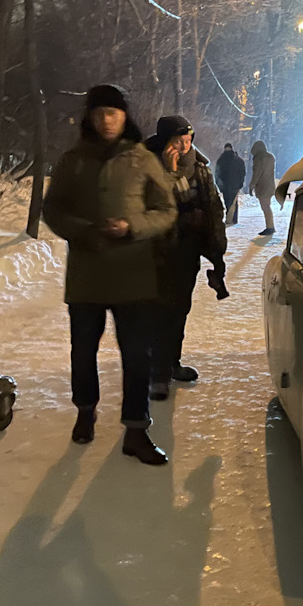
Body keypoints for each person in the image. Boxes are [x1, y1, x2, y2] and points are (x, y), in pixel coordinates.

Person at [43, 84, 176, 465]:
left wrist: (132, 226)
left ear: (124, 116)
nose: (106, 120)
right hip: (86, 276)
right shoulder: (73, 160)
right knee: (83, 352)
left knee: (137, 355)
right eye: (99, 113)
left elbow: (165, 210)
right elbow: (52, 209)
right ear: (89, 117)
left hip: (133, 277)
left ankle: (136, 430)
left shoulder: (141, 158)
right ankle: (85, 412)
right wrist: (82, 230)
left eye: (113, 113)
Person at [146, 114, 229, 400]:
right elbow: (155, 205)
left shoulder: (200, 168)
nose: (183, 146)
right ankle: (156, 373)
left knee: (180, 309)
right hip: (157, 252)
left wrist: (217, 249)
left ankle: (171, 363)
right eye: (177, 141)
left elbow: (213, 207)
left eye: (188, 140)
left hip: (187, 251)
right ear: (164, 142)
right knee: (160, 312)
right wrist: (170, 173)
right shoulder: (147, 166)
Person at [248, 139, 277, 236]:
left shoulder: (259, 158)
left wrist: (252, 185)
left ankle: (270, 227)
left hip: (262, 186)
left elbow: (257, 173)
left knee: (265, 207)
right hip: (270, 185)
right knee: (267, 206)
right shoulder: (270, 157)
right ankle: (270, 226)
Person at [214, 142, 246, 226]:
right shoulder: (237, 160)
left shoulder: (221, 159)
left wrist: (219, 184)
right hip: (234, 185)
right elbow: (242, 172)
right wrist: (240, 182)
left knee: (227, 201)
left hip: (225, 185)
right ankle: (234, 218)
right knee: (233, 202)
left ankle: (229, 218)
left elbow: (217, 173)